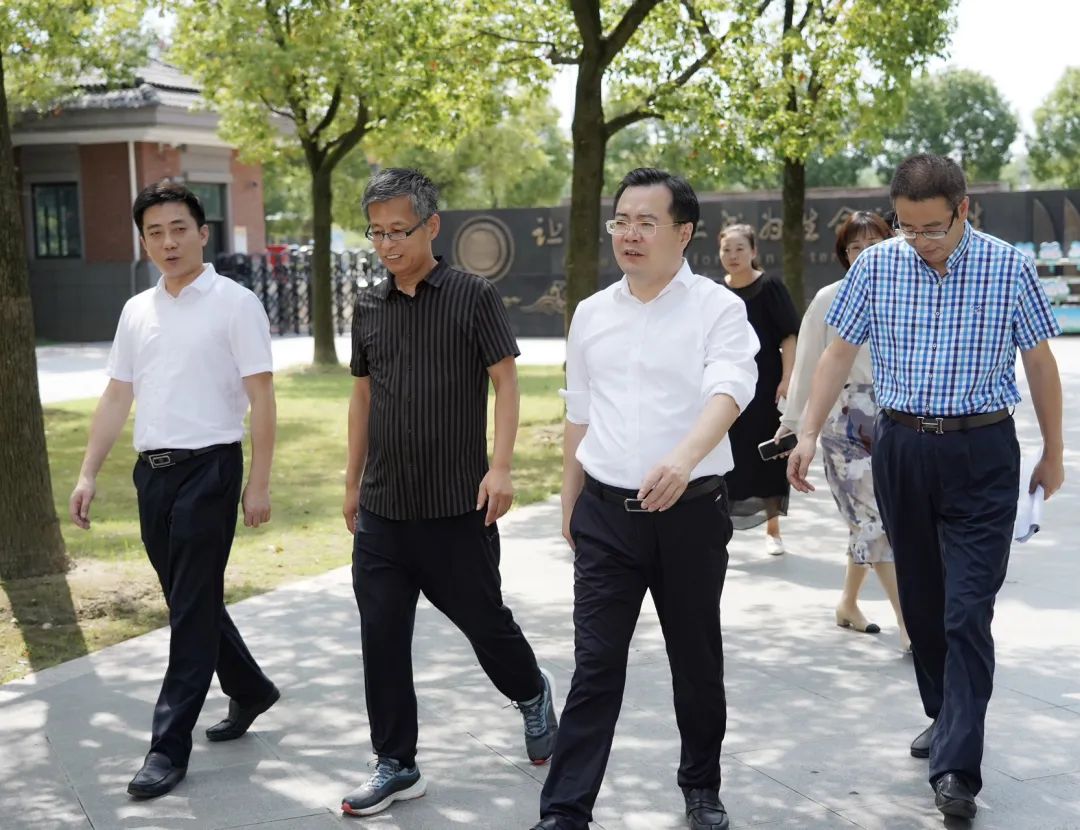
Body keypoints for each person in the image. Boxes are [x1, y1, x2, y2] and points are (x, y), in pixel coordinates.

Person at [787, 154, 1064, 820]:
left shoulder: (1008, 267)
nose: (920, 241)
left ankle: (956, 770)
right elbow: (835, 353)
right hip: (903, 448)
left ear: (963, 209)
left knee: (968, 610)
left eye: (933, 228)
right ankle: (945, 715)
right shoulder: (877, 267)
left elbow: (1039, 361)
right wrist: (805, 431)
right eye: (907, 227)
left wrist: (1054, 452)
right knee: (924, 598)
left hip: (982, 450)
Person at [531, 168, 759, 830]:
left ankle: (701, 786)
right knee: (596, 665)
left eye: (646, 222)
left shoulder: (717, 308)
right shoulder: (591, 313)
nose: (629, 234)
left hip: (690, 514)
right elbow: (579, 411)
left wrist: (684, 459)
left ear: (683, 232)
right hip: (606, 516)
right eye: (621, 221)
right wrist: (570, 499)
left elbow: (731, 387)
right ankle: (565, 810)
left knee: (695, 658)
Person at [341, 168, 557, 817]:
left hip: (457, 507)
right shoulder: (368, 306)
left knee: (485, 623)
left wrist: (502, 467)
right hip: (383, 509)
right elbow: (362, 397)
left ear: (431, 226)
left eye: (398, 231)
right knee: (381, 636)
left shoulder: (472, 295)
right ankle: (396, 762)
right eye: (376, 233)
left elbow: (506, 381)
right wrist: (352, 483)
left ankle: (531, 692)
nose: (387, 244)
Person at [69, 180, 281, 799]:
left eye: (179, 229)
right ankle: (250, 688)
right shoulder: (137, 310)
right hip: (151, 475)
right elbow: (117, 395)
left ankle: (167, 748)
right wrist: (87, 471)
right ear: (144, 240)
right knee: (191, 599)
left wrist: (258, 483)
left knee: (188, 610)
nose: (168, 242)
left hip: (211, 469)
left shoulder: (236, 303)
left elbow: (263, 397)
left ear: (202, 233)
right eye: (155, 233)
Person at [777, 211, 909, 650]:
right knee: (872, 520)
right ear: (844, 255)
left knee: (871, 519)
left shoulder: (912, 290)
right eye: (855, 247)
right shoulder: (829, 299)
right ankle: (908, 622)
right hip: (845, 421)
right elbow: (808, 364)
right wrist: (794, 425)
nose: (865, 253)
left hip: (900, 418)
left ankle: (848, 604)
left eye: (874, 244)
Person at [718, 224, 800, 555]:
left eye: (740, 248)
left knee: (767, 457)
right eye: (726, 249)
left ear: (753, 251)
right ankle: (719, 530)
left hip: (765, 385)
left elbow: (789, 336)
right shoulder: (717, 293)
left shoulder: (770, 287)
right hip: (726, 385)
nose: (733, 255)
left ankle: (773, 530)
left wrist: (788, 377)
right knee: (726, 457)